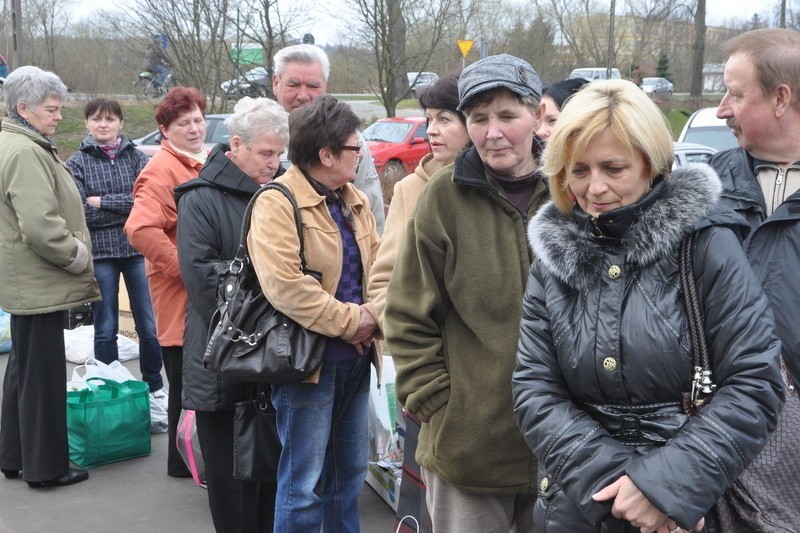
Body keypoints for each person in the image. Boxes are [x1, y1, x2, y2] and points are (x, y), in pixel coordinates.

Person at [512, 79, 784, 532]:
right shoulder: (554, 261)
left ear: (651, 163)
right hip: (579, 510)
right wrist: (625, 487)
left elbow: (755, 380)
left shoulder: (706, 244)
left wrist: (667, 488)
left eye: (613, 168)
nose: (594, 188)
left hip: (690, 513)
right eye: (578, 170)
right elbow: (535, 390)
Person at [384, 54, 548, 532]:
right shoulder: (443, 196)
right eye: (478, 119)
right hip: (469, 452)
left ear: (536, 116)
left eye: (507, 116)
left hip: (563, 451)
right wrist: (439, 403)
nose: (493, 132)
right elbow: (406, 313)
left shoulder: (573, 191)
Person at [248, 95, 380, 531]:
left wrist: (374, 315)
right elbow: (286, 286)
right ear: (326, 155)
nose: (361, 155)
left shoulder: (353, 198)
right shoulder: (277, 201)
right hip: (309, 365)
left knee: (348, 481)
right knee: (302, 489)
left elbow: (383, 271)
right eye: (354, 148)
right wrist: (352, 322)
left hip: (357, 362)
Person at [175, 97, 288, 532]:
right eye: (265, 154)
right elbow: (204, 282)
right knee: (232, 485)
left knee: (269, 483)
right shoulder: (199, 199)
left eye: (279, 154)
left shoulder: (278, 192)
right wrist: (276, 290)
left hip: (273, 363)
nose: (273, 163)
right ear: (236, 145)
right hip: (222, 363)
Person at [366, 73, 469, 531]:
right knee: (431, 509)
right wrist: (420, 370)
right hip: (437, 382)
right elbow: (385, 283)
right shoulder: (413, 188)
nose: (431, 131)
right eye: (429, 119)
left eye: (445, 119)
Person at [0, 66, 100, 487]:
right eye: (52, 109)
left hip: (28, 279)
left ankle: (14, 455)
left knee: (23, 370)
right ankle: (46, 467)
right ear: (24, 108)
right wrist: (77, 256)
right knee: (41, 378)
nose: (59, 116)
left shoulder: (17, 143)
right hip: (40, 276)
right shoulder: (24, 151)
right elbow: (40, 226)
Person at [125, 86, 208, 479]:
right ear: (164, 129)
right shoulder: (161, 169)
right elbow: (140, 229)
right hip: (180, 294)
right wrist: (184, 268)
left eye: (197, 119)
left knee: (190, 380)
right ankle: (182, 463)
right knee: (184, 379)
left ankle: (185, 461)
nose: (194, 128)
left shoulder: (197, 160)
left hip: (195, 292)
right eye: (183, 123)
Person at [712, 28, 800, 388]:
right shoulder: (706, 186)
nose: (721, 110)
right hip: (721, 415)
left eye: (734, 94)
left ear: (780, 98)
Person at [65, 98, 166, 408]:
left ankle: (154, 383)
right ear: (87, 124)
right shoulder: (76, 163)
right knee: (105, 325)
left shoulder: (137, 158)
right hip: (101, 255)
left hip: (137, 249)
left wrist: (102, 201)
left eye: (109, 119)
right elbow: (82, 213)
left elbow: (147, 204)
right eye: (96, 119)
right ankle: (109, 384)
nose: (103, 124)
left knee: (148, 324)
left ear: (120, 123)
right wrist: (123, 206)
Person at [272, 44, 386, 234]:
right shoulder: (257, 139)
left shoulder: (352, 144)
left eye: (313, 86)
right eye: (293, 85)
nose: (303, 95)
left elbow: (373, 216)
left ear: (325, 86)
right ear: (276, 83)